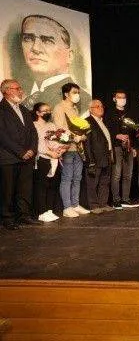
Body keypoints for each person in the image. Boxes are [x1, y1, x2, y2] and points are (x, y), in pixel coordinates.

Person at [19, 15, 91, 114]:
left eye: (47, 41)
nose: (35, 48)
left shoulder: (84, 101)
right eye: (28, 39)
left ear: (69, 55)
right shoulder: (22, 97)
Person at [0, 79, 40, 229]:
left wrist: (32, 149)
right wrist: (21, 152)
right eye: (17, 88)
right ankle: (8, 218)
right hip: (9, 157)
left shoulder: (23, 109)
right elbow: (3, 136)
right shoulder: (1, 109)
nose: (21, 91)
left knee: (25, 189)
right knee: (8, 190)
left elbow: (33, 132)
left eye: (20, 88)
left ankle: (24, 215)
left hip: (27, 157)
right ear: (7, 91)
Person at [53, 82, 90, 218]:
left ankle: (75, 204)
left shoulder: (74, 109)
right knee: (67, 177)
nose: (77, 95)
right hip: (67, 148)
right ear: (66, 94)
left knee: (77, 177)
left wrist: (83, 135)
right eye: (74, 92)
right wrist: (74, 137)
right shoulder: (59, 108)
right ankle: (67, 207)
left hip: (78, 148)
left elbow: (78, 126)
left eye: (78, 92)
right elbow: (59, 129)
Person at [33, 102, 65, 222]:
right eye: (45, 111)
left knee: (52, 185)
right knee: (42, 186)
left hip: (54, 158)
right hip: (42, 158)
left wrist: (59, 149)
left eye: (49, 110)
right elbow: (37, 144)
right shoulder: (34, 125)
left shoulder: (52, 125)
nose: (48, 112)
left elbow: (56, 140)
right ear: (38, 113)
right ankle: (41, 212)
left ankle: (49, 210)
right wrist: (48, 152)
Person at [105, 89, 136, 209]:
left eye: (124, 97)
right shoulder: (109, 113)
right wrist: (116, 135)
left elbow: (133, 131)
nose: (122, 99)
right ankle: (116, 200)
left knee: (128, 174)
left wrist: (133, 146)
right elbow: (106, 130)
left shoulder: (129, 113)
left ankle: (125, 199)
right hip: (116, 146)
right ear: (114, 99)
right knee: (117, 174)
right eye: (119, 97)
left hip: (128, 146)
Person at [84, 99, 113, 214]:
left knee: (104, 181)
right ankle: (93, 205)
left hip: (106, 156)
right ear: (90, 109)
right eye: (97, 106)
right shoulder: (87, 122)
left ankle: (103, 203)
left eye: (101, 106)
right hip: (95, 158)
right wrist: (90, 160)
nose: (101, 108)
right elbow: (87, 143)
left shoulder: (102, 121)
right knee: (93, 182)